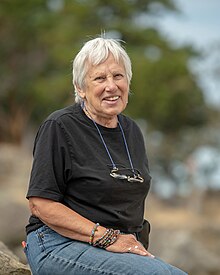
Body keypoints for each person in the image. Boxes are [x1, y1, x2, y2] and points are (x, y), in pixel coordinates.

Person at [24, 36, 187, 275]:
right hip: (58, 243)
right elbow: (40, 204)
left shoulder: (131, 131)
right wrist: (109, 238)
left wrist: (133, 247)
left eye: (118, 76)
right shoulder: (60, 126)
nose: (111, 86)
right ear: (80, 88)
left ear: (128, 82)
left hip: (112, 249)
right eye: (99, 78)